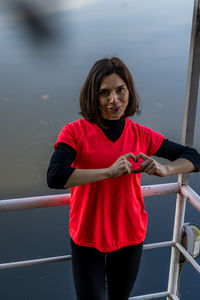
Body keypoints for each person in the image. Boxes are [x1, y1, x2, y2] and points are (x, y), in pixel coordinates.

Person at [47, 57, 200, 300]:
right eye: (104, 93)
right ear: (93, 97)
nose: (114, 100)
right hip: (88, 235)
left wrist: (165, 170)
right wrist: (108, 172)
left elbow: (193, 157)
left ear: (129, 90)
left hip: (129, 234)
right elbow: (55, 175)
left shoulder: (140, 134)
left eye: (120, 90)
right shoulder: (74, 132)